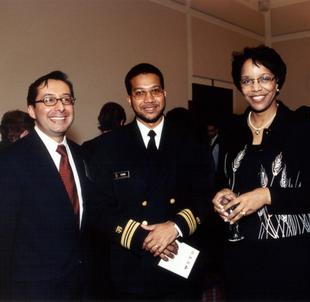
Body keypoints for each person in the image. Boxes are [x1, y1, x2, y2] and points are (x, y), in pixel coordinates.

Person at [87, 63, 212, 299]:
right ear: (129, 99)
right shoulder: (107, 147)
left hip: (180, 267)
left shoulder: (191, 142)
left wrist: (175, 227)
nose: (149, 99)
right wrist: (146, 238)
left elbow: (205, 197)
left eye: (155, 91)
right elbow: (98, 208)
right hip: (131, 271)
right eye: (140, 93)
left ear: (164, 93)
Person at [212, 45, 310, 300]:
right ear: (240, 86)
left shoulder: (302, 129)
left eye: (264, 79)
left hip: (291, 258)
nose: (256, 88)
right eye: (247, 81)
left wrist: (267, 195)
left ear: (278, 82)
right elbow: (219, 178)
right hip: (240, 256)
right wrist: (220, 193)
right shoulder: (232, 129)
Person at [0, 71, 94, 299]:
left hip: (81, 287)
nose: (60, 107)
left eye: (66, 99)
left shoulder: (83, 156)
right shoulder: (11, 161)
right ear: (32, 110)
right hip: (33, 291)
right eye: (49, 100)